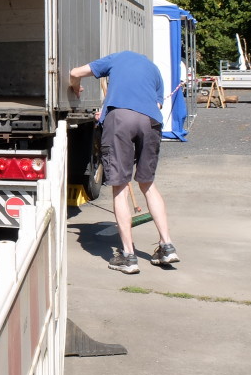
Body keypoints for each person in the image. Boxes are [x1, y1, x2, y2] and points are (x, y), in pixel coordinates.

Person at [69, 51, 179, 274]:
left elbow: (75, 73)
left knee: (119, 187)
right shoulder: (154, 70)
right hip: (150, 121)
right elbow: (157, 105)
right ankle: (166, 246)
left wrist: (76, 88)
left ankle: (128, 256)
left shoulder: (116, 59)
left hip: (120, 120)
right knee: (148, 184)